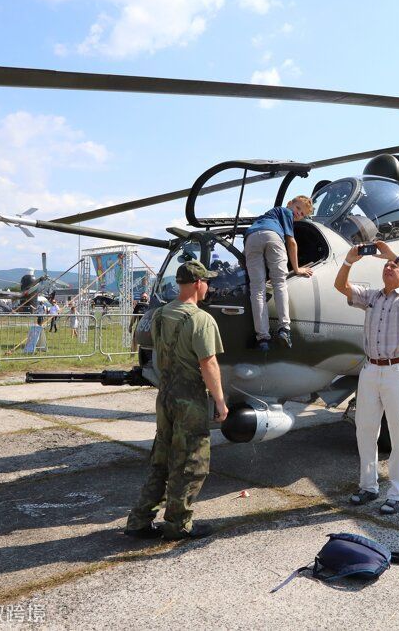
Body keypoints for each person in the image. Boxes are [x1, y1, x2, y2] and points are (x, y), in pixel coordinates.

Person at [125, 260, 228, 540]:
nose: (209, 287)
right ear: (197, 284)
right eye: (207, 282)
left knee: (161, 457)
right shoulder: (201, 319)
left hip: (165, 394)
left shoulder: (160, 314)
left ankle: (139, 520)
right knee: (191, 461)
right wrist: (220, 401)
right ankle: (178, 524)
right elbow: (208, 364)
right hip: (188, 398)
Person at [334, 240, 399, 515]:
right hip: (370, 370)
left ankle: (398, 493)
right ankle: (368, 487)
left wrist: (393, 255)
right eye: (386, 265)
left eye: (394, 266)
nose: (388, 267)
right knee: (364, 429)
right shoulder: (371, 297)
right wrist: (349, 260)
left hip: (398, 371)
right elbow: (341, 286)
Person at [243, 195, 314, 350]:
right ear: (289, 204)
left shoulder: (266, 216)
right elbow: (291, 242)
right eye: (298, 208)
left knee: (257, 289)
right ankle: (284, 329)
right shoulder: (285, 212)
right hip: (273, 237)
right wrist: (297, 269)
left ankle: (262, 338)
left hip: (251, 238)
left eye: (302, 214)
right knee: (279, 283)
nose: (298, 214)